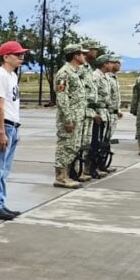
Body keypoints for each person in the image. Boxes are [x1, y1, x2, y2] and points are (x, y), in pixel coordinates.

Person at [0, 40, 28, 219]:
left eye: (21, 54)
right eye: (17, 55)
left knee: (4, 169)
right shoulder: (1, 76)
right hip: (4, 125)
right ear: (6, 57)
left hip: (12, 125)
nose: (21, 58)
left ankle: (0, 202)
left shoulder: (12, 76)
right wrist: (2, 131)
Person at [53, 43, 88, 186]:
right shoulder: (65, 73)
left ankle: (66, 174)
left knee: (73, 146)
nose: (85, 56)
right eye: (82, 54)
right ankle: (60, 177)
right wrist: (68, 119)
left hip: (77, 116)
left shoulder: (75, 72)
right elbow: (62, 97)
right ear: (76, 56)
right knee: (65, 145)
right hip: (70, 117)